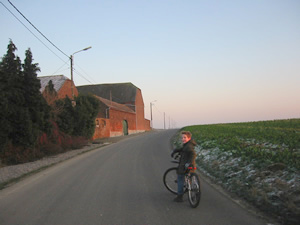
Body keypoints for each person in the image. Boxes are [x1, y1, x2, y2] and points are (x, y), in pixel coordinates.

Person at [171, 131, 196, 202]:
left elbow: (193, 154)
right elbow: (183, 149)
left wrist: (188, 163)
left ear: (189, 138)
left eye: (185, 137)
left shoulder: (188, 146)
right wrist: (176, 150)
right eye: (182, 137)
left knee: (180, 178)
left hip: (185, 165)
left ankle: (180, 196)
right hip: (191, 165)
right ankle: (193, 194)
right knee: (190, 178)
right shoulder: (188, 144)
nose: (183, 139)